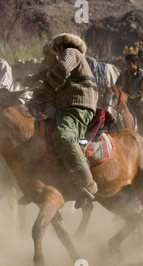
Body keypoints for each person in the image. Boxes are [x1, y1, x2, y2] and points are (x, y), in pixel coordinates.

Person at [43, 33, 99, 208]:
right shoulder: (74, 58)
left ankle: (89, 183)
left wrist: (44, 84)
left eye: (56, 50)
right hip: (68, 106)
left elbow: (60, 71)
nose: (56, 53)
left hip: (76, 105)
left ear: (61, 46)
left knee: (63, 137)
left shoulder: (71, 53)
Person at [115, 53, 143, 141]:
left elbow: (140, 92)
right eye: (126, 63)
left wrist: (128, 98)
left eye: (129, 63)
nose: (127, 66)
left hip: (138, 101)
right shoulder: (123, 73)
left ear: (135, 63)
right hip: (124, 99)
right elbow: (117, 85)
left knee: (141, 114)